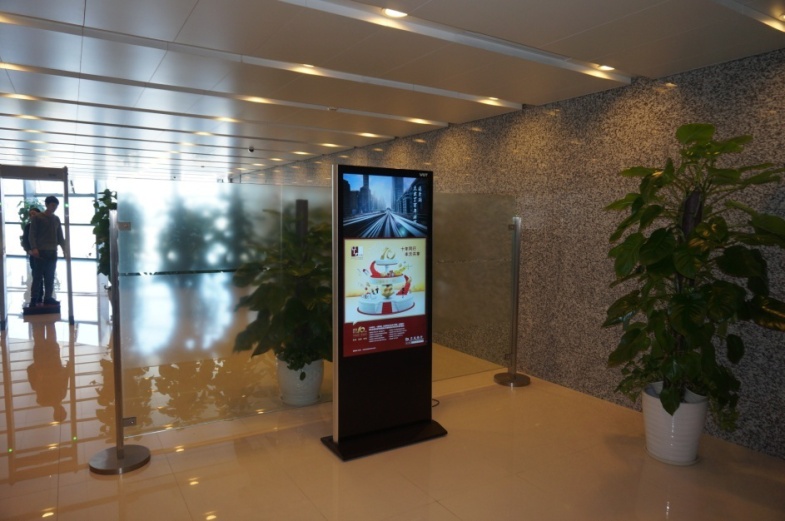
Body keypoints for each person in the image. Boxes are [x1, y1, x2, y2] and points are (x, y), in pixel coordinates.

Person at [29, 196, 67, 307]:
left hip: (52, 252)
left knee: (50, 276)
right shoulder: (37, 218)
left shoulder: (56, 219)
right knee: (37, 276)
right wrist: (34, 248)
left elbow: (60, 236)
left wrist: (64, 249)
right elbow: (32, 234)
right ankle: (34, 298)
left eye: (56, 206)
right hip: (40, 252)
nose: (54, 208)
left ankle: (48, 297)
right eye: (52, 205)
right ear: (46, 205)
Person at [21, 206, 44, 306]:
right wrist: (29, 250)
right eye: (30, 214)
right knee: (36, 275)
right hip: (33, 254)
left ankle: (42, 296)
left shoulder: (43, 226)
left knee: (44, 275)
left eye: (34, 213)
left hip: (44, 253)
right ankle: (37, 296)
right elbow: (25, 241)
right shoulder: (28, 227)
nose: (32, 216)